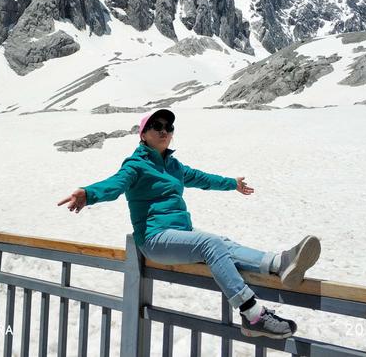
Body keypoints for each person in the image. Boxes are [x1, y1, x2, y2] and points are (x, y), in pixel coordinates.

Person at [58, 109, 321, 340]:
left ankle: (280, 263)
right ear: (143, 134)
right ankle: (252, 315)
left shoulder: (173, 165)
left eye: (168, 127)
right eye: (157, 126)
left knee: (223, 244)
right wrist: (88, 193)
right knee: (211, 244)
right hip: (154, 238)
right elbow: (115, 185)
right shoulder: (135, 166)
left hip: (179, 233)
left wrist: (232, 183)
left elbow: (201, 178)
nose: (164, 131)